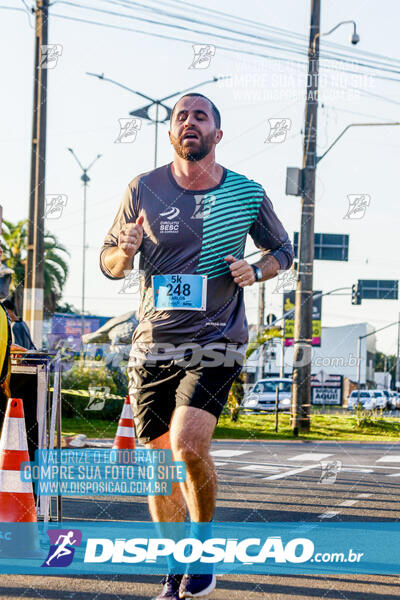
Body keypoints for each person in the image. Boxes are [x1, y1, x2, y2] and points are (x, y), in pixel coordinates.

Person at [100, 93, 293, 599]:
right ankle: (173, 564)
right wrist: (124, 252)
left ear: (217, 134)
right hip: (152, 344)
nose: (189, 122)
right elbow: (109, 262)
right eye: (180, 116)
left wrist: (257, 269)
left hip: (216, 339)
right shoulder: (142, 188)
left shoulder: (246, 193)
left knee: (188, 444)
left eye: (200, 116)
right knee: (160, 464)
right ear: (170, 133)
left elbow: (283, 250)